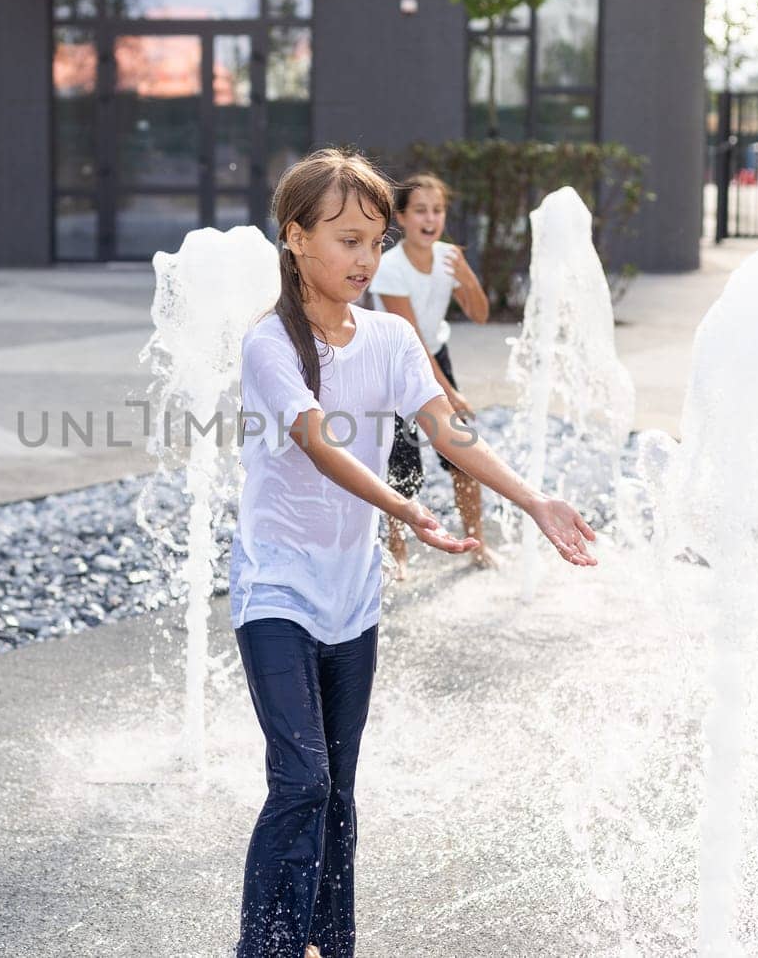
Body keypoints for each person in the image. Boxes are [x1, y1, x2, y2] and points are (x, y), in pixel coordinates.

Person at [231, 148, 597, 958]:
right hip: (276, 589)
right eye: (346, 240)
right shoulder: (272, 345)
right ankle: (265, 948)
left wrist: (532, 498)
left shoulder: (393, 337)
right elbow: (319, 443)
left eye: (375, 241)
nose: (366, 258)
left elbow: (447, 430)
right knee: (301, 778)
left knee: (339, 787)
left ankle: (330, 940)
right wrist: (407, 507)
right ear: (294, 238)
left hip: (351, 595)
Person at [370, 173, 493, 578]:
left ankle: (478, 544)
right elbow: (412, 342)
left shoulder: (448, 257)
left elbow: (479, 314)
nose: (430, 218)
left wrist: (469, 279)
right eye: (420, 210)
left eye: (437, 210)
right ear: (401, 218)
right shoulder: (389, 268)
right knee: (402, 465)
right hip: (396, 364)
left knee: (464, 457)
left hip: (437, 356)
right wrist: (449, 394)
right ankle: (398, 553)